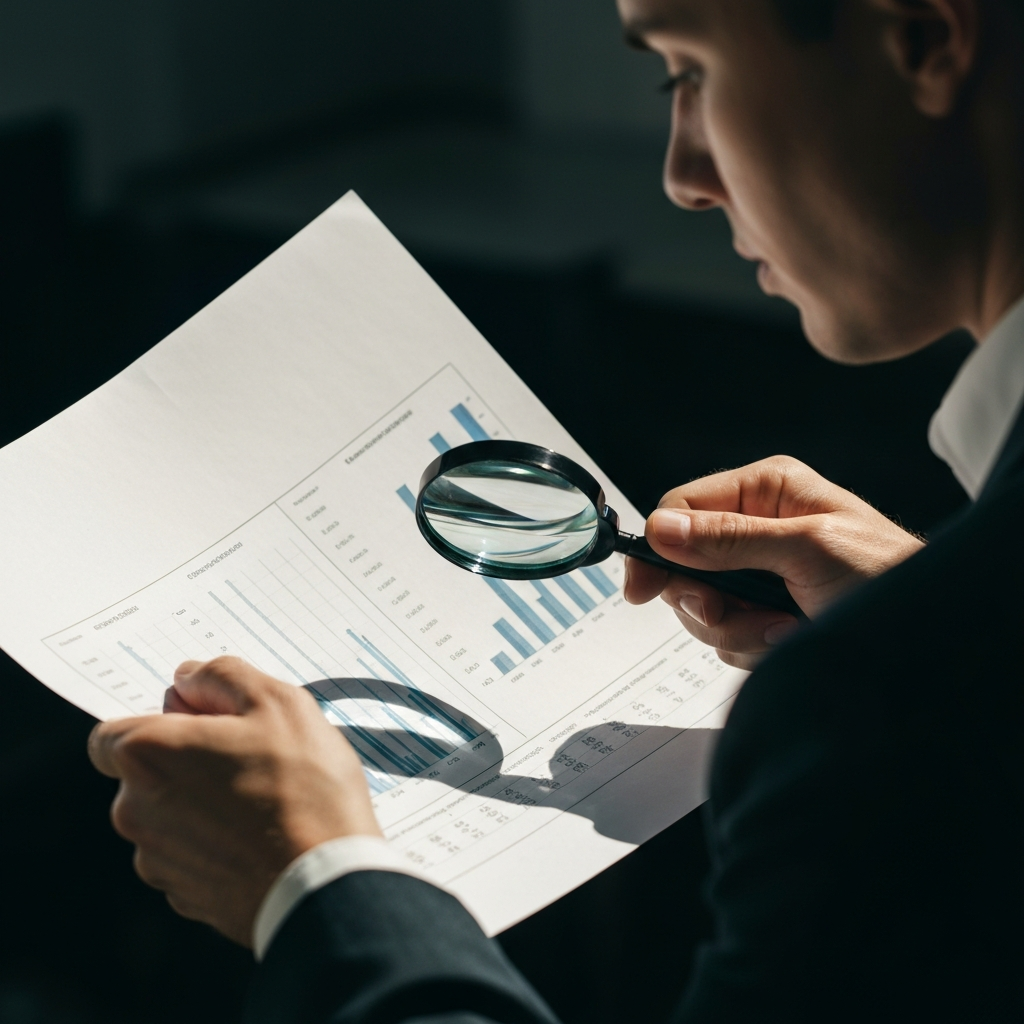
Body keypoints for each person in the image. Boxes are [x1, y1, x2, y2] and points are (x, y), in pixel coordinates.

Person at [87, 0, 1024, 1020]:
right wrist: (941, 622)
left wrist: (319, 891)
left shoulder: (875, 707)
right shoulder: (931, 667)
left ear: (924, 37)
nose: (681, 176)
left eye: (689, 70)